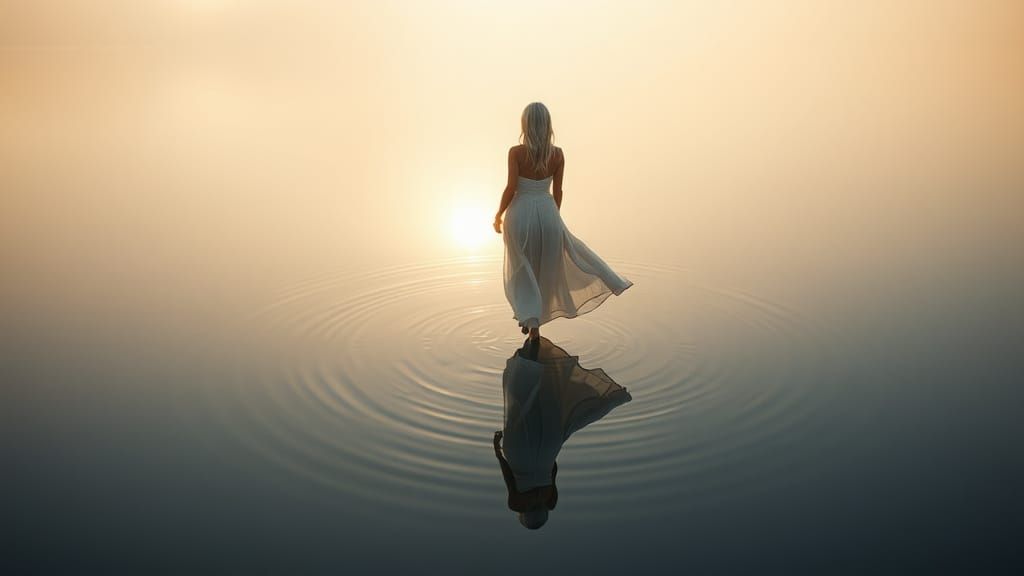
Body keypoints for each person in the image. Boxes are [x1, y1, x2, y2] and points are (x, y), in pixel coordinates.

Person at [493, 102, 633, 341]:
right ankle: (534, 323)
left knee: (521, 267)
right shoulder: (557, 154)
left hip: (520, 214)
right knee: (545, 267)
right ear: (547, 125)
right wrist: (552, 217)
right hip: (548, 212)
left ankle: (529, 317)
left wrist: (498, 215)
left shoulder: (516, 152)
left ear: (525, 124)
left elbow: (511, 187)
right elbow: (558, 191)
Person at [493, 337, 632, 530]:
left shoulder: (551, 499)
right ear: (525, 515)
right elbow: (508, 476)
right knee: (520, 399)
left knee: (549, 399)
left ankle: (537, 348)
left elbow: (554, 470)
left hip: (547, 451)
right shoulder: (516, 504)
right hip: (519, 454)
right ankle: (531, 351)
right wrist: (498, 452)